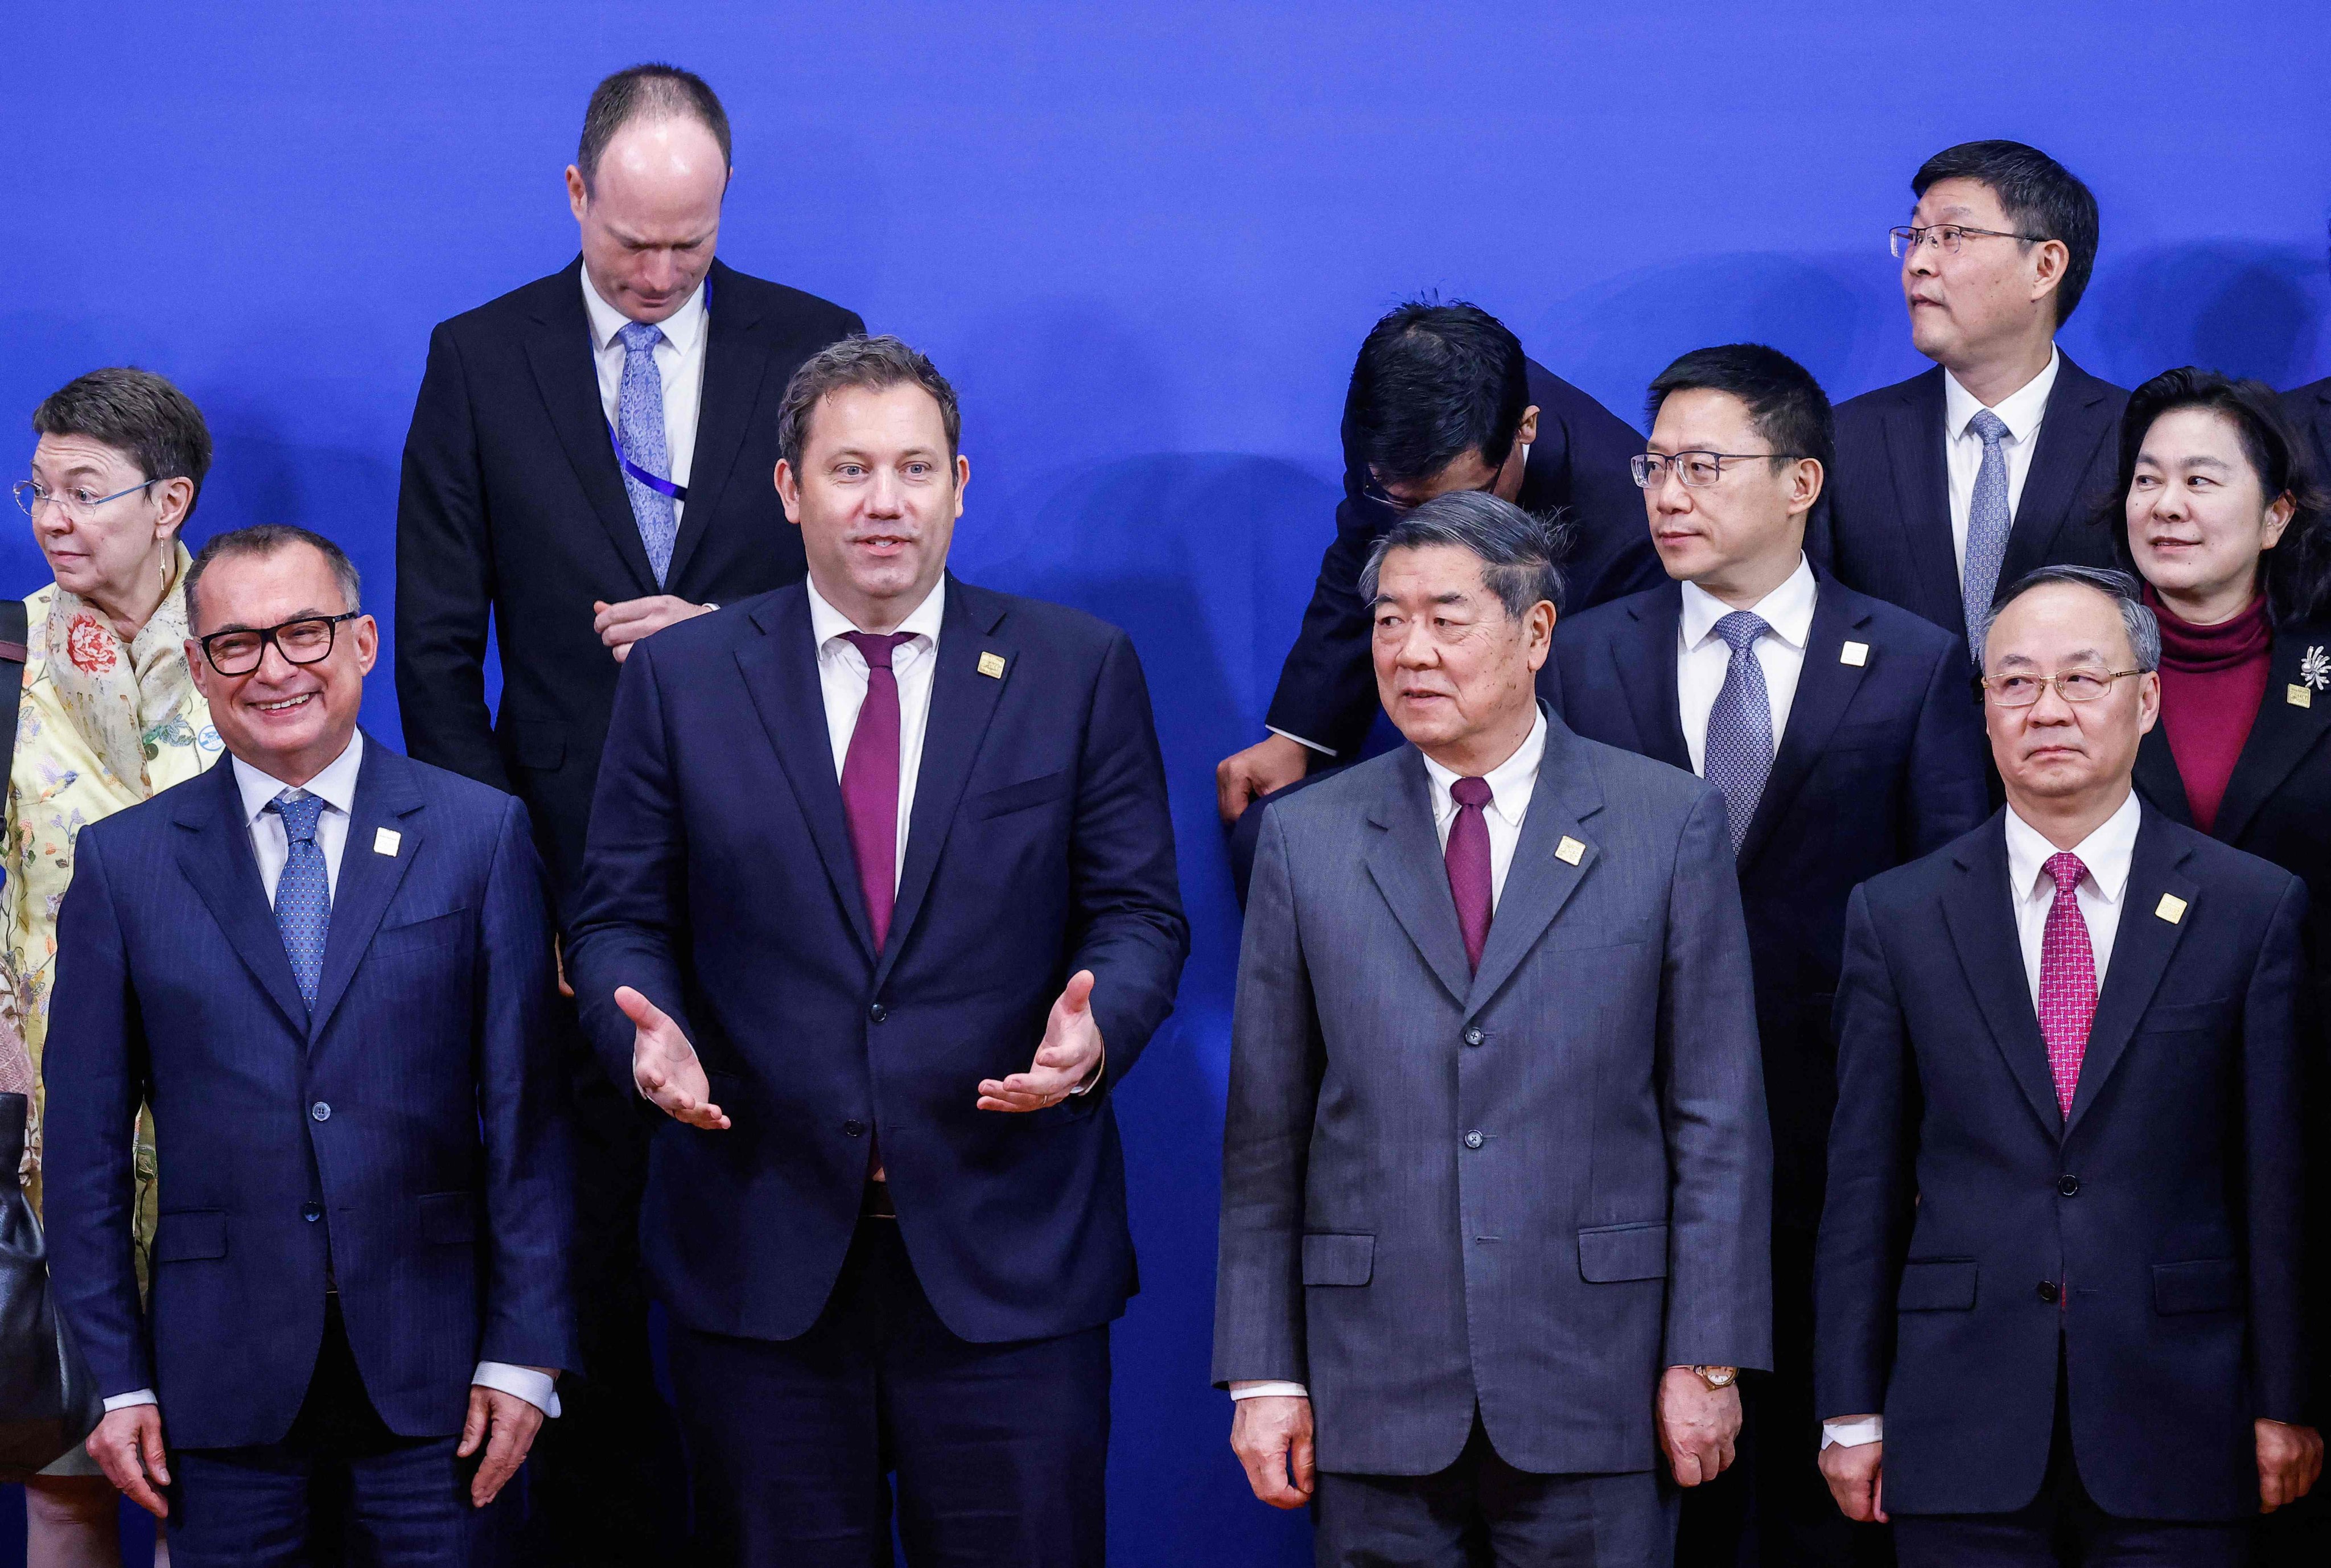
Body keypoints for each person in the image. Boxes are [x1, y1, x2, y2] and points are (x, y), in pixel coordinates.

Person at [565, 335, 1188, 1565]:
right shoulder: (684, 680)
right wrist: (646, 1032)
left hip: (1007, 1255)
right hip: (758, 1254)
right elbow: (617, 917)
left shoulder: (1075, 669)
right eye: (849, 469)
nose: (885, 502)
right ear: (790, 491)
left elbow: (1138, 915)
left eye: (914, 468)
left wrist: (1098, 1028)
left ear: (961, 483)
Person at [393, 63, 861, 1559]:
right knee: (583, 1283)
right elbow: (434, 653)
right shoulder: (481, 359)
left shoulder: (816, 347)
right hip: (571, 918)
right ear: (578, 196)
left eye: (692, 245)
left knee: (776, 1297)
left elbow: (874, 601)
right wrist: (511, 896)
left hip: (782, 908)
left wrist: (724, 631)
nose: (660, 277)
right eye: (632, 244)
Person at [1214, 490, 1772, 1566]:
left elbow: (1717, 1117)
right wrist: (1265, 1372)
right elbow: (1265, 1134)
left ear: (1535, 633)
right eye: (1388, 620)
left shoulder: (1665, 822)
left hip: (1596, 1378)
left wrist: (1707, 1356)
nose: (1410, 651)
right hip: (1374, 1382)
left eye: (1445, 618)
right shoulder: (1308, 837)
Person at [42, 525, 577, 1566]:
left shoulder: (480, 834)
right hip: (214, 1387)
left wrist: (526, 1356)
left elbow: (531, 1121)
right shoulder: (126, 865)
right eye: (237, 644)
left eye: (304, 632)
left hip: (444, 1381)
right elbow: (87, 1153)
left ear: (364, 642)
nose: (275, 668)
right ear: (199, 670)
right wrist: (114, 1376)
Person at [1548, 345, 1988, 1566]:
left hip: (1834, 1146)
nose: (1667, 496)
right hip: (1626, 1161)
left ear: (1799, 481)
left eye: (1704, 466)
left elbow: (1951, 919)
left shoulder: (1909, 663)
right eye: (1653, 467)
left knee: (1813, 1505)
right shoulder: (1583, 659)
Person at [1815, 565, 2321, 1565]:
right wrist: (1848, 1409)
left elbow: (2278, 1179)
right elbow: (1863, 1185)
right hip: (1957, 1413)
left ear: (2147, 701)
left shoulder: (2250, 908)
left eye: (2082, 680)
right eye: (2014, 683)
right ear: (1984, 710)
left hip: (2180, 1409)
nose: (2046, 710)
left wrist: (2288, 1400)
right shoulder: (1898, 914)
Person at [2105, 369, 2331, 1564]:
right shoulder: (2055, 677)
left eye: (2200, 479)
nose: (2167, 504)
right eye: (2146, 479)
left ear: (2276, 513)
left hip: (2301, 1118)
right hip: (2106, 1127)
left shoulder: (2322, 670)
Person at [6, 367, 217, 1568]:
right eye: (40, 490)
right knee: (67, 1470)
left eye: (86, 492)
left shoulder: (255, 639)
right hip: (49, 1121)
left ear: (169, 501)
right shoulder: (6, 653)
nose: (53, 518)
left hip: (228, 1122)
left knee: (221, 1478)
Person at [1215, 299, 1661, 825]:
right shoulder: (1383, 441)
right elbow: (1364, 551)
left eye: (1463, 500)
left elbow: (1619, 710)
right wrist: (1297, 738)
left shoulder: (1631, 520)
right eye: (1408, 505)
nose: (1434, 531)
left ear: (1526, 428)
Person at [1820, 141, 2125, 654]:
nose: (1917, 262)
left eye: (1952, 236)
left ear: (2045, 267)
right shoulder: (1844, 440)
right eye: (1916, 236)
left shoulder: (2135, 438)